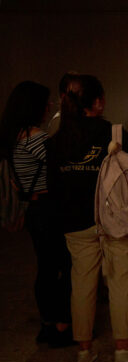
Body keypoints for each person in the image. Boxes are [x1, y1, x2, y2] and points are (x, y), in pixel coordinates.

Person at [48, 74, 128, 362]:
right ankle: (122, 350)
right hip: (116, 220)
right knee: (120, 283)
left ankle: (84, 351)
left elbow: (53, 186)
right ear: (98, 102)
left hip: (75, 223)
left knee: (81, 285)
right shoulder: (113, 133)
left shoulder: (57, 140)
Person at [0, 81, 73, 347]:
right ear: (34, 106)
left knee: (45, 267)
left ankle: (47, 323)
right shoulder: (37, 139)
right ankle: (62, 324)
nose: (50, 106)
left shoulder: (15, 137)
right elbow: (63, 166)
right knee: (66, 265)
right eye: (46, 102)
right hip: (49, 208)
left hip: (33, 209)